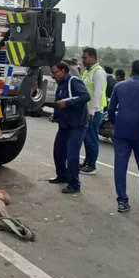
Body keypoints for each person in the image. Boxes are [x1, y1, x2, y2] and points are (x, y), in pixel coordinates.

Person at [108, 60, 139, 212]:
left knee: (120, 166)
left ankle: (122, 201)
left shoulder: (119, 86)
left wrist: (114, 122)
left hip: (121, 132)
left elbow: (111, 109)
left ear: (131, 71)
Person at [49, 62, 90, 194]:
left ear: (64, 70)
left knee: (72, 154)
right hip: (65, 125)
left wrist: (67, 102)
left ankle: (74, 184)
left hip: (77, 125)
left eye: (55, 72)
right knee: (58, 152)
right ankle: (62, 176)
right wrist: (55, 116)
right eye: (52, 73)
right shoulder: (61, 84)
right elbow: (59, 102)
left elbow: (85, 96)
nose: (53, 76)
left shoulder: (74, 81)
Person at [79, 48, 107, 175]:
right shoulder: (86, 72)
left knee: (91, 138)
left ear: (92, 58)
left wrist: (92, 111)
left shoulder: (98, 72)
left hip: (94, 111)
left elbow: (98, 93)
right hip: (86, 110)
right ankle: (87, 162)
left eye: (85, 58)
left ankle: (92, 165)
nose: (83, 60)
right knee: (86, 138)